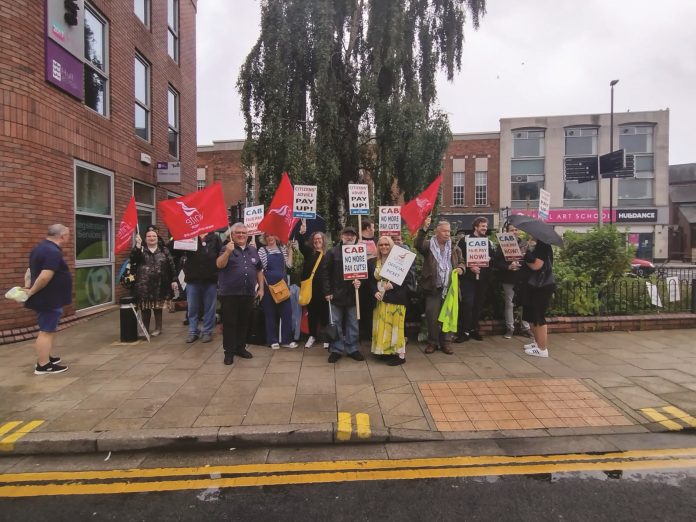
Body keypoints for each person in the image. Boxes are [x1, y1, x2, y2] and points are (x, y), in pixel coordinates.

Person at [24, 224, 72, 374]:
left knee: (48, 329)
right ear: (62, 236)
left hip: (46, 298)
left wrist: (27, 286)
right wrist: (31, 290)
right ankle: (43, 365)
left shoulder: (39, 248)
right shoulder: (52, 251)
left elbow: (30, 271)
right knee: (46, 331)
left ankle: (46, 357)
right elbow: (45, 276)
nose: (68, 238)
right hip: (49, 298)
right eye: (68, 235)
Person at [414, 216, 465, 355]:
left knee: (448, 316)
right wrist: (424, 228)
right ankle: (432, 342)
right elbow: (417, 244)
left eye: (448, 231)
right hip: (433, 288)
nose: (447, 234)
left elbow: (462, 262)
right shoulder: (428, 245)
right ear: (437, 232)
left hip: (450, 289)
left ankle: (446, 343)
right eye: (444, 231)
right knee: (432, 316)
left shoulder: (455, 247)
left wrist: (461, 268)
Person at [217, 222, 264, 365]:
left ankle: (240, 348)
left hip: (248, 293)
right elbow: (219, 264)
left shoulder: (253, 250)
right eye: (238, 233)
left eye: (244, 233)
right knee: (230, 323)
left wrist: (261, 288)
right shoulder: (226, 248)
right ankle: (229, 352)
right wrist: (227, 252)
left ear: (248, 235)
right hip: (230, 293)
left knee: (244, 322)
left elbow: (259, 270)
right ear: (232, 235)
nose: (241, 235)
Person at [321, 226, 365, 363]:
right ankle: (336, 349)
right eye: (347, 234)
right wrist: (327, 291)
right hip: (336, 295)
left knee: (353, 323)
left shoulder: (359, 252)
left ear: (356, 237)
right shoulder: (332, 252)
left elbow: (363, 273)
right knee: (336, 323)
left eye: (352, 235)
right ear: (341, 236)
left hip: (353, 295)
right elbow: (324, 273)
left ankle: (352, 348)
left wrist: (360, 282)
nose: (350, 237)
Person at [369, 236, 413, 365]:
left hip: (396, 298)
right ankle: (386, 351)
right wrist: (374, 292)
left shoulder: (399, 260)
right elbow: (371, 281)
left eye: (386, 244)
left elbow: (407, 278)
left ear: (391, 245)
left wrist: (393, 285)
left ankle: (400, 355)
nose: (384, 247)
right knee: (383, 327)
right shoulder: (373, 262)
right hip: (380, 299)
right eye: (381, 245)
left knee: (396, 327)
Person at [130, 229, 177, 337]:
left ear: (157, 238)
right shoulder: (140, 250)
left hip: (160, 284)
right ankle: (145, 328)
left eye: (154, 236)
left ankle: (158, 328)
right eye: (149, 236)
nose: (151, 238)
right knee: (145, 307)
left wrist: (174, 280)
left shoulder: (164, 250)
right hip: (144, 284)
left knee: (157, 307)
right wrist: (137, 246)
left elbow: (171, 265)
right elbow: (133, 259)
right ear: (145, 239)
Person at [492, 222, 533, 339]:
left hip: (522, 278)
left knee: (524, 304)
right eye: (512, 230)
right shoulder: (503, 244)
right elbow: (496, 261)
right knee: (509, 303)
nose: (514, 232)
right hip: (508, 278)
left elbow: (530, 260)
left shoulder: (524, 243)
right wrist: (508, 266)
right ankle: (510, 328)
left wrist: (527, 254)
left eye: (516, 230)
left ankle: (526, 327)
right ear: (507, 231)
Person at [456, 216, 494, 342]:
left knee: (478, 305)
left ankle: (474, 329)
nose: (485, 228)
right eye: (482, 226)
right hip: (468, 279)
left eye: (486, 226)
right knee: (467, 304)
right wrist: (470, 266)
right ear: (476, 227)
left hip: (482, 279)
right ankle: (464, 331)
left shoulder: (488, 242)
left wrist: (488, 258)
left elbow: (492, 257)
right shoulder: (465, 241)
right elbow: (458, 258)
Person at [259, 232, 297, 349]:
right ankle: (272, 340)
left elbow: (289, 265)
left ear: (276, 236)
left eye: (271, 235)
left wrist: (290, 249)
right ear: (264, 238)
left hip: (282, 286)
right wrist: (262, 288)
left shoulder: (282, 249)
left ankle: (286, 340)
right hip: (268, 286)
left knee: (287, 312)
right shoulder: (262, 250)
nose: (270, 237)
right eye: (267, 236)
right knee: (270, 313)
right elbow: (260, 270)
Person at [183, 231, 222, 344]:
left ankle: (207, 331)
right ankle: (193, 331)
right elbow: (174, 251)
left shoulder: (215, 238)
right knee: (192, 308)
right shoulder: (189, 236)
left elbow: (221, 254)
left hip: (210, 279)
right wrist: (178, 238)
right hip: (192, 278)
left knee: (210, 308)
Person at [522, 238, 555, 358]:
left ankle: (542, 349)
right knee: (533, 316)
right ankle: (537, 343)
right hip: (536, 286)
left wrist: (526, 257)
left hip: (542, 286)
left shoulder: (543, 246)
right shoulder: (538, 245)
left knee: (539, 316)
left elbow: (536, 266)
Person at [297, 221, 329, 349]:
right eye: (315, 239)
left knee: (325, 314)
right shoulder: (309, 252)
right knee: (312, 313)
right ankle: (312, 335)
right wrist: (302, 232)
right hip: (310, 289)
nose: (317, 241)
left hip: (324, 289)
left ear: (323, 240)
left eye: (319, 239)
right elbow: (301, 245)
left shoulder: (328, 255)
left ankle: (327, 337)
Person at [358, 219, 377, 340]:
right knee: (361, 305)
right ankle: (362, 331)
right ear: (368, 228)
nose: (374, 230)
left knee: (372, 306)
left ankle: (371, 332)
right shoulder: (357, 241)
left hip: (374, 278)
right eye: (373, 227)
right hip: (361, 279)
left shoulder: (376, 240)